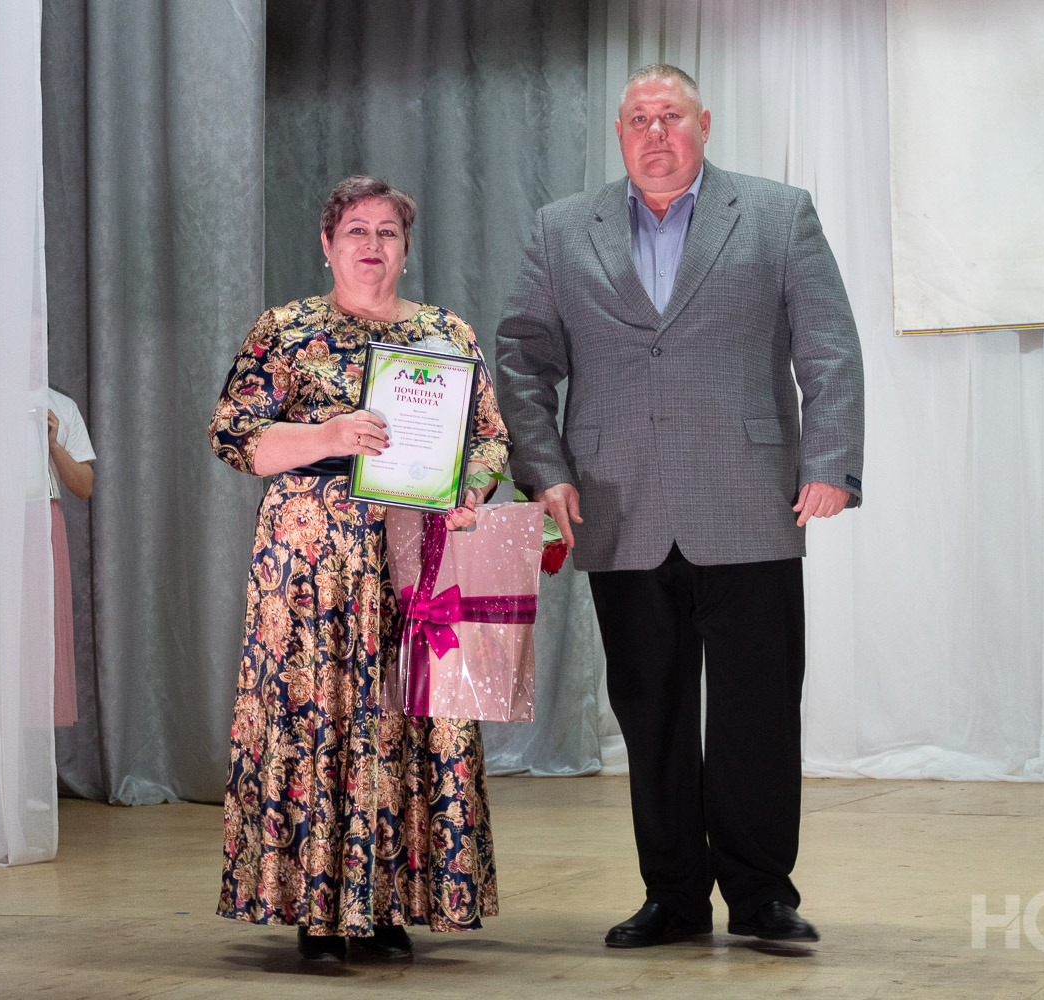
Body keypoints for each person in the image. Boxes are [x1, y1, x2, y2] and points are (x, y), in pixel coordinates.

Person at [495, 65, 864, 949]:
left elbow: (829, 350)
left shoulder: (777, 214)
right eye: (638, 119)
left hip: (751, 501)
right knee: (650, 714)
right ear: (619, 132)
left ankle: (762, 894)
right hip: (616, 508)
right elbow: (520, 360)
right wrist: (544, 472)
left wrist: (832, 462)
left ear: (704, 123)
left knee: (756, 712)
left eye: (670, 116)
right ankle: (672, 896)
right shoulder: (561, 229)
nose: (654, 133)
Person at [208, 175, 510, 962]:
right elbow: (234, 435)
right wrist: (328, 435)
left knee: (407, 721)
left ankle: (390, 907)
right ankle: (317, 912)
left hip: (415, 555)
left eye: (387, 231)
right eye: (355, 231)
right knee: (319, 713)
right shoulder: (286, 330)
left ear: (405, 247)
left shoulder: (446, 332)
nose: (371, 245)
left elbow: (489, 436)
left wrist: (468, 492)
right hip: (312, 560)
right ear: (327, 244)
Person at [47, 388, 95, 728]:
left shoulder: (61, 407)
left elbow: (84, 486)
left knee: (45, 634)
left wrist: (52, 444)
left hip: (44, 518)